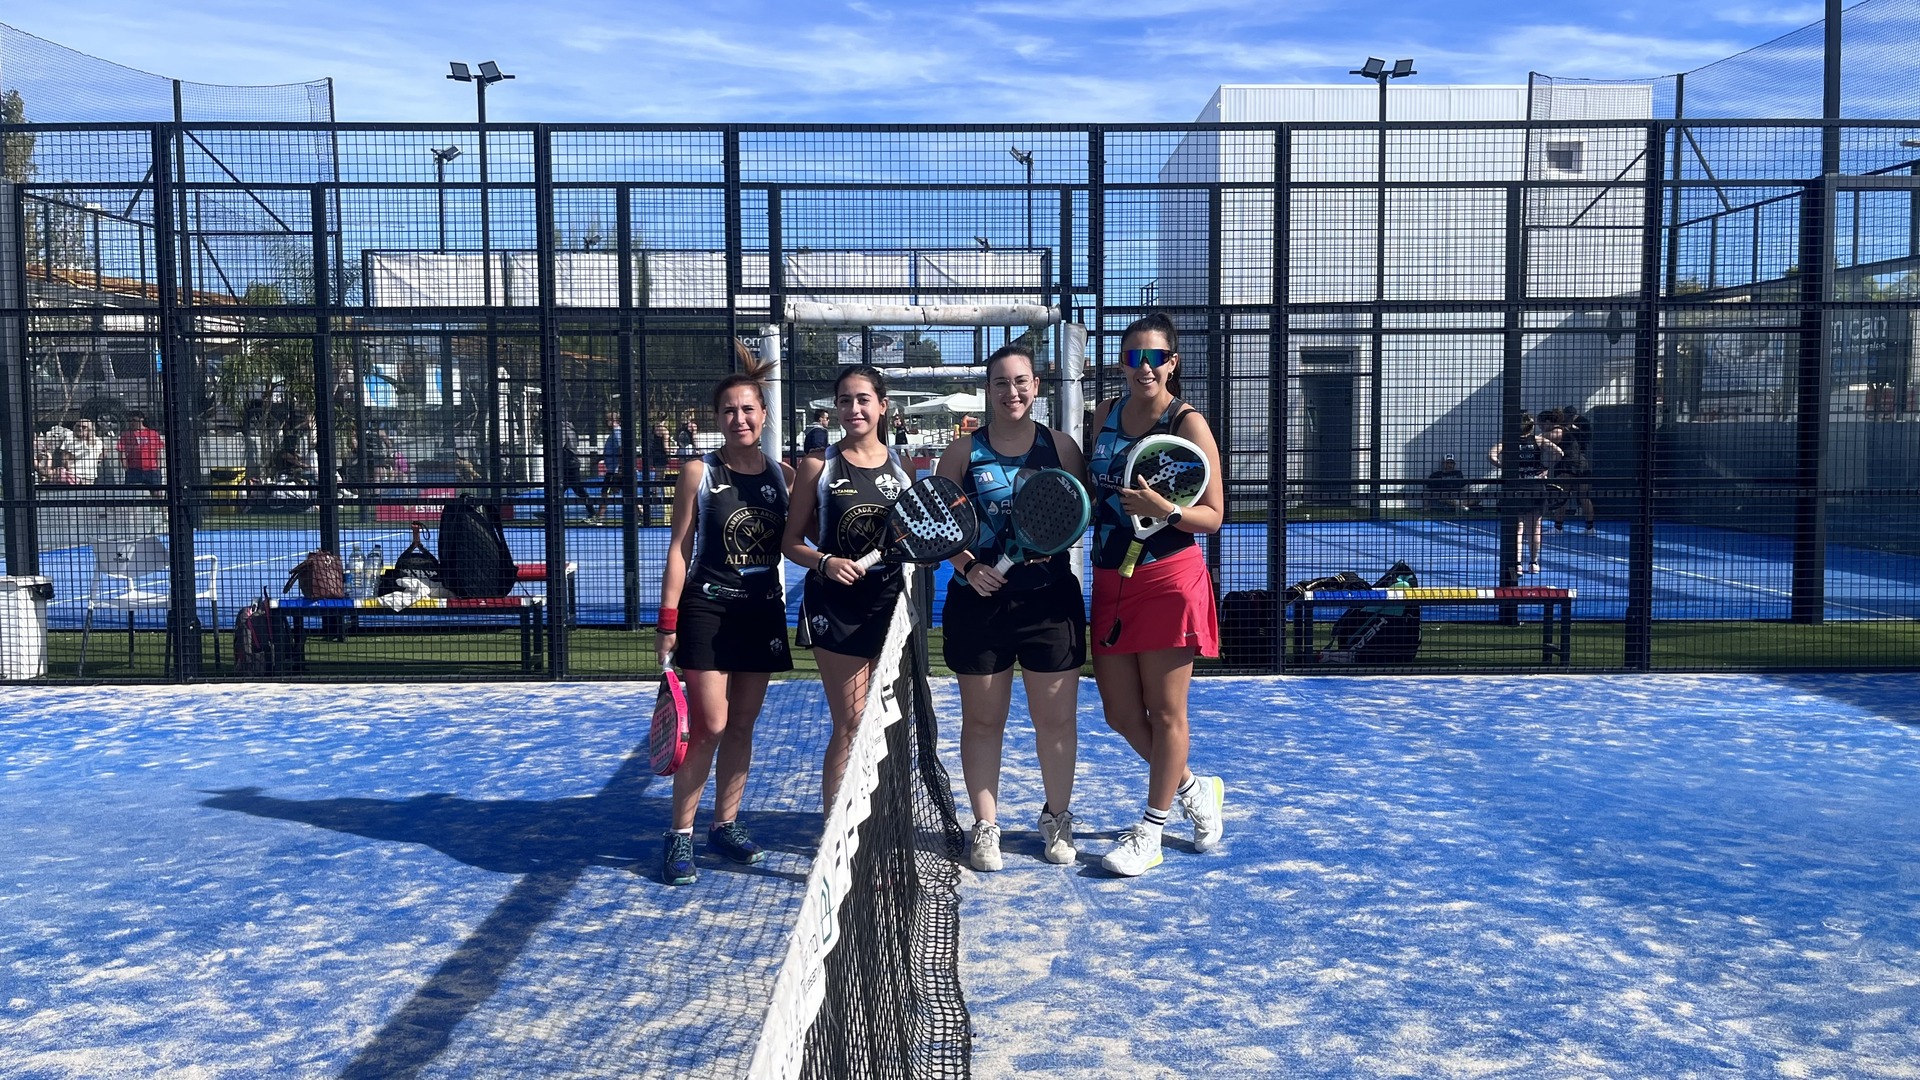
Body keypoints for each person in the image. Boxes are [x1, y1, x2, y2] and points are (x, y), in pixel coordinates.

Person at [1084, 312, 1227, 877]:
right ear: (1122, 363)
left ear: (1173, 363)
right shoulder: (1104, 414)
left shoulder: (1188, 422)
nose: (1144, 367)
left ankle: (1152, 829)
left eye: (1156, 357)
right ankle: (1193, 787)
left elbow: (1213, 516)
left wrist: (1164, 510)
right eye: (1133, 357)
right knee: (1120, 713)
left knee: (1166, 712)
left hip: (1168, 578)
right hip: (1110, 576)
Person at [936, 343, 1088, 871]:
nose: (1012, 391)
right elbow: (939, 524)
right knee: (983, 721)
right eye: (1000, 382)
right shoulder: (962, 453)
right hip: (979, 607)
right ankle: (985, 826)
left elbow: (1076, 513)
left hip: (1050, 602)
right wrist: (966, 566)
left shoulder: (1062, 448)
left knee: (1056, 722)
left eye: (1021, 381)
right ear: (988, 390)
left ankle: (1057, 818)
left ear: (1036, 387)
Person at [656, 342, 796, 885]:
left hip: (761, 613)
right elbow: (679, 549)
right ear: (717, 418)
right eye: (729, 410)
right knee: (709, 725)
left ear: (763, 415)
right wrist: (667, 621)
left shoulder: (783, 475)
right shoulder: (699, 472)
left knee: (741, 725)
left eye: (748, 409)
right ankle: (680, 834)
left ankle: (726, 824)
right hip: (707, 611)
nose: (739, 418)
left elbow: (808, 537)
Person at [781, 364, 913, 811]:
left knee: (885, 722)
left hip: (890, 606)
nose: (854, 408)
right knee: (852, 720)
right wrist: (826, 562)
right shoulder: (818, 464)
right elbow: (791, 542)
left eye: (863, 399)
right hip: (835, 606)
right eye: (844, 400)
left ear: (883, 406)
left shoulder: (902, 466)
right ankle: (837, 829)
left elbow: (913, 536)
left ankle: (879, 822)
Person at [1489, 413, 1563, 576]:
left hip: (1516, 486)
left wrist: (1504, 467)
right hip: (1535, 485)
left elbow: (1491, 455)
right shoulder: (1538, 440)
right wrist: (1545, 468)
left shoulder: (1508, 442)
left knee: (1518, 527)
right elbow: (1559, 453)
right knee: (1535, 527)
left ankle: (1517, 564)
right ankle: (1533, 562)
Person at [1552, 407, 1595, 533]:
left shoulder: (1562, 431)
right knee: (1584, 496)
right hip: (1581, 463)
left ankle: (1558, 527)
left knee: (1562, 496)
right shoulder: (1580, 430)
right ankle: (1590, 527)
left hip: (1566, 463)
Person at [591, 411, 628, 521]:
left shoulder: (617, 433)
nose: (605, 423)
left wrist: (621, 468)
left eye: (607, 420)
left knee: (605, 492)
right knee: (627, 492)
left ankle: (600, 517)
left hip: (615, 470)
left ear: (613, 421)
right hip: (613, 469)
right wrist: (599, 459)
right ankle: (642, 514)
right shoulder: (614, 434)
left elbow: (622, 450)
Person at [118, 410, 165, 488]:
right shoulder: (126, 434)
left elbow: (158, 451)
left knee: (157, 491)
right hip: (134, 469)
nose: (132, 423)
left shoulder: (153, 433)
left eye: (134, 420)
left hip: (152, 469)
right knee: (133, 492)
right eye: (130, 421)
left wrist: (158, 467)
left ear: (141, 419)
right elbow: (122, 452)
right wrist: (126, 468)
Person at [61, 418, 106, 485]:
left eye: (84, 427)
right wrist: (69, 470)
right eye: (78, 426)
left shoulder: (97, 441)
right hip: (73, 475)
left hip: (89, 476)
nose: (80, 428)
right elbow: (64, 458)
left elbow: (104, 451)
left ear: (89, 429)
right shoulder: (70, 440)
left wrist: (98, 460)